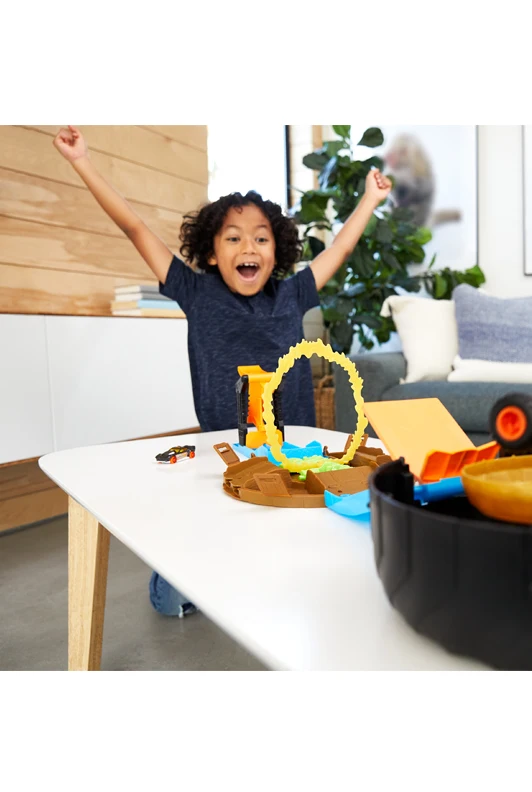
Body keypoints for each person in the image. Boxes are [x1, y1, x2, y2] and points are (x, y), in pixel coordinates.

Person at [54, 125, 392, 617]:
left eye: (260, 238)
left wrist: (369, 200)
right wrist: (81, 161)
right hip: (225, 453)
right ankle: (180, 571)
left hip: (294, 450)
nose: (248, 246)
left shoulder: (292, 294)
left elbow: (338, 249)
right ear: (212, 253)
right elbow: (135, 228)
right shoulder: (195, 292)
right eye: (233, 238)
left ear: (276, 252)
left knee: (304, 540)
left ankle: (271, 568)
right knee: (186, 585)